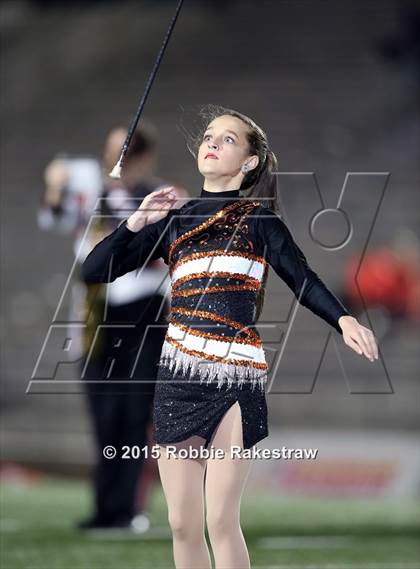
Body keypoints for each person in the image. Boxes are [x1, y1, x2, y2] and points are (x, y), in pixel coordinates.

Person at [81, 105, 379, 568]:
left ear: (249, 162)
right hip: (178, 378)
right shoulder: (173, 219)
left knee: (219, 520)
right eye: (209, 136)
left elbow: (302, 278)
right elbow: (95, 270)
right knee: (182, 523)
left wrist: (344, 320)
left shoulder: (259, 221)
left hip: (235, 377)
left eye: (227, 139)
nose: (212, 143)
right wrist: (137, 222)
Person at [38, 124, 188, 532]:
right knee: (105, 416)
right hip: (95, 316)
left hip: (146, 315)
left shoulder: (163, 196)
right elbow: (55, 217)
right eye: (114, 149)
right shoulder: (90, 193)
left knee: (135, 414)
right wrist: (56, 184)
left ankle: (128, 508)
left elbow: (165, 253)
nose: (117, 158)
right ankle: (107, 507)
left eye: (129, 150)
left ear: (146, 155)